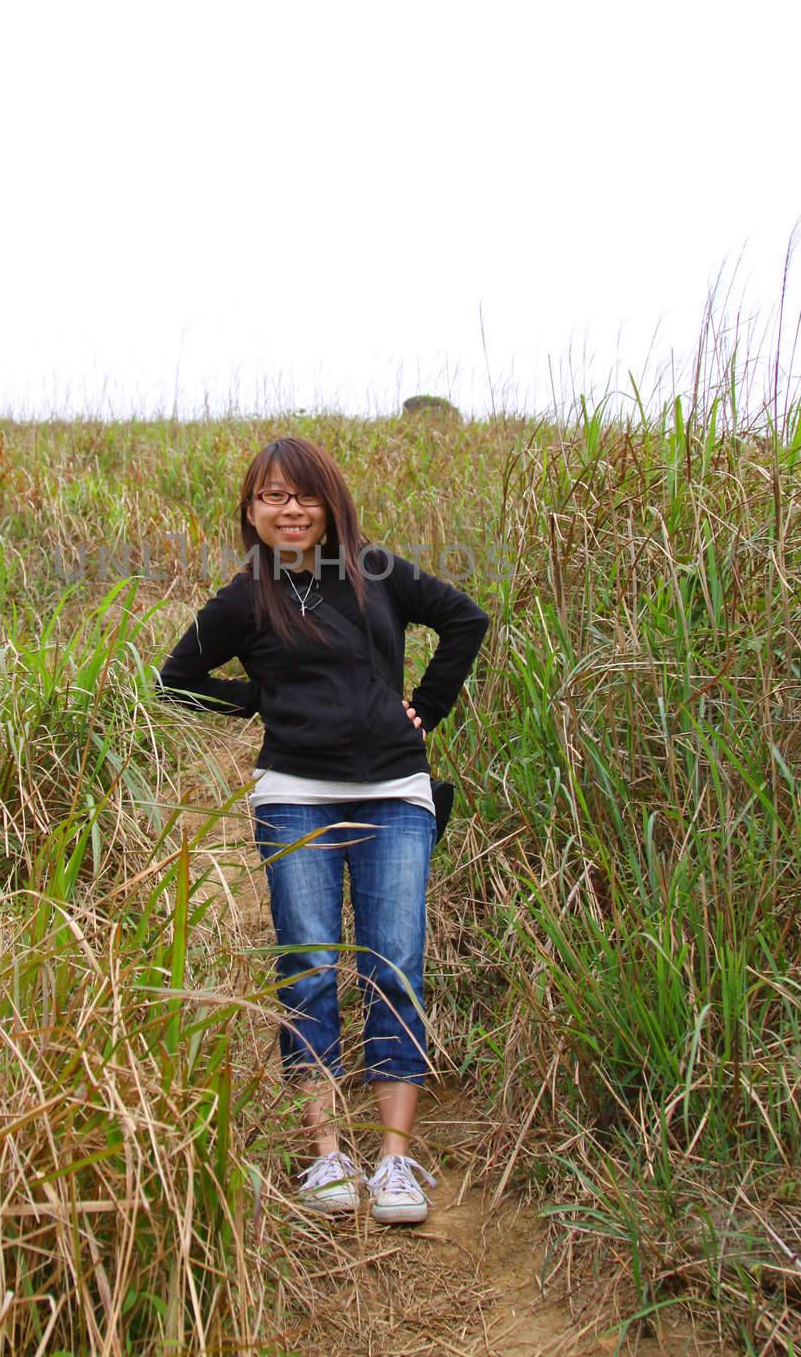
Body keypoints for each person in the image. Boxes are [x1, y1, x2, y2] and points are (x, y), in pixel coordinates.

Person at [157, 436, 490, 1225]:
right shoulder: (243, 598)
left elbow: (464, 620)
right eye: (271, 496)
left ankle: (395, 1163)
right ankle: (326, 1155)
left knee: (392, 966)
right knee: (306, 966)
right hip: (294, 799)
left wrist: (426, 708)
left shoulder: (378, 574)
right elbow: (176, 682)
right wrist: (259, 702)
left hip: (396, 795)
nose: (290, 509)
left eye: (303, 495)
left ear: (330, 503)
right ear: (250, 513)